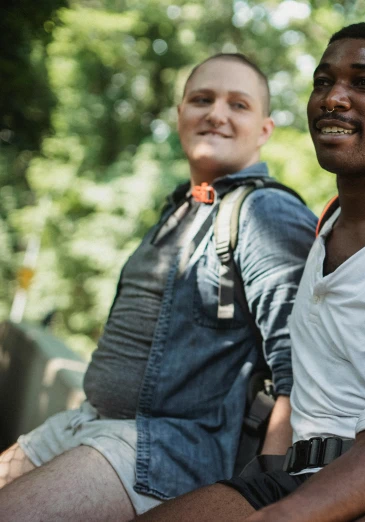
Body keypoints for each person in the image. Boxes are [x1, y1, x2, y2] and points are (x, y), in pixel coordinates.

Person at [140, 23, 365, 522]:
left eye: (364, 83)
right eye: (323, 81)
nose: (334, 98)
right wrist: (264, 481)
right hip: (306, 475)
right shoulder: (327, 226)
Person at [0, 53, 317, 520]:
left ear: (265, 129)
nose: (216, 113)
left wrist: (266, 492)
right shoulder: (182, 208)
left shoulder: (265, 212)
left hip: (161, 451)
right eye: (202, 99)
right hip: (85, 422)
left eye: (239, 105)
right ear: (180, 114)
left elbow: (301, 366)